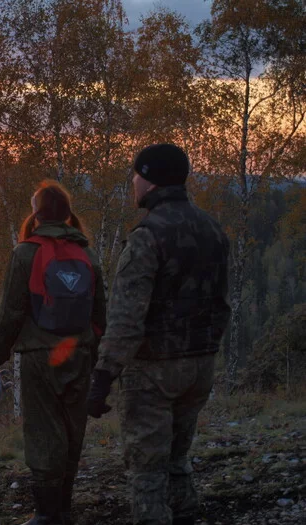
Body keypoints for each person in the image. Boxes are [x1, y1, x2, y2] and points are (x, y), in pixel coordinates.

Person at [87, 144, 231, 525]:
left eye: (136, 175)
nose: (133, 182)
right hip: (200, 364)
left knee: (147, 469)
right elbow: (222, 303)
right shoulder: (212, 229)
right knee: (177, 459)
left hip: (153, 370)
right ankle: (185, 515)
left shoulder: (147, 237)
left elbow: (126, 317)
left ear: (149, 180)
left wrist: (103, 377)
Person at [0, 180, 107, 525]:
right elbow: (101, 313)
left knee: (43, 432)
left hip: (40, 357)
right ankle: (64, 511)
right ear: (67, 213)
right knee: (72, 430)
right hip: (80, 354)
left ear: (36, 214)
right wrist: (99, 357)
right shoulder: (88, 253)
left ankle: (45, 515)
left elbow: (10, 311)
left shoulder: (25, 252)